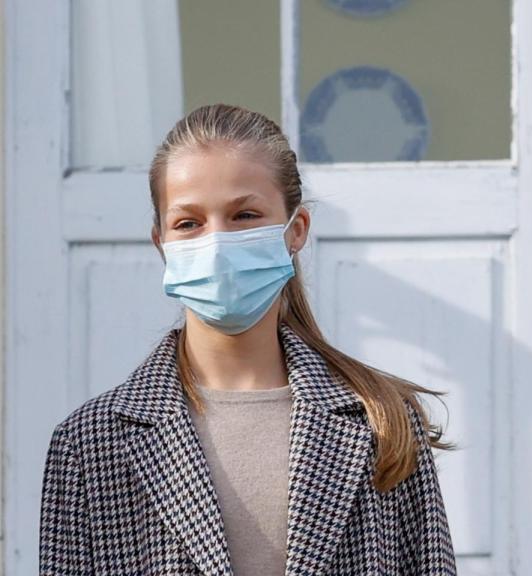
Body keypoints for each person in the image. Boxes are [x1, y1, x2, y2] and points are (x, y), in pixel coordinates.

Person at [39, 104, 456, 575]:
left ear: (295, 230)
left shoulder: (383, 421)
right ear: (161, 243)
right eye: (188, 223)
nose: (216, 243)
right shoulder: (89, 445)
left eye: (245, 215)